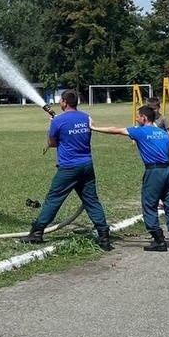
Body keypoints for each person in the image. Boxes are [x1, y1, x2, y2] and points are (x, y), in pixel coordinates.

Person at [20, 90, 113, 250]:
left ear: (64, 102)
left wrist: (52, 125)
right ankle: (104, 235)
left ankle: (37, 232)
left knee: (53, 199)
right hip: (87, 165)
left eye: (60, 101)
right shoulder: (85, 117)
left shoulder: (58, 121)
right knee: (91, 200)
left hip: (69, 167)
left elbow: (52, 143)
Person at [93, 105, 169, 251]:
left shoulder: (140, 131)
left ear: (144, 118)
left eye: (138, 116)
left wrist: (94, 128)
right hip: (168, 170)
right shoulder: (164, 133)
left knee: (149, 205)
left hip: (154, 172)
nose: (136, 118)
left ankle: (158, 239)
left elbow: (115, 130)